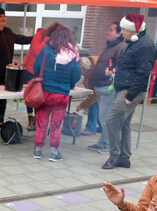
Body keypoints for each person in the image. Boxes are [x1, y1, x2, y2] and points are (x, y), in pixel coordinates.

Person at [102, 13, 157, 170]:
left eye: (124, 29)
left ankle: (114, 156)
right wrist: (114, 71)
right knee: (124, 123)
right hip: (125, 87)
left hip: (130, 90)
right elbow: (131, 67)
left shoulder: (145, 46)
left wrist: (130, 96)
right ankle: (124, 158)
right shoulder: (135, 42)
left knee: (111, 121)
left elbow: (143, 73)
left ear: (134, 30)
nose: (122, 32)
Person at [31, 24, 81, 163]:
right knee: (56, 124)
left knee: (41, 121)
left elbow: (36, 66)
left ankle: (38, 150)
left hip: (45, 92)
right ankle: (54, 152)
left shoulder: (47, 49)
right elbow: (76, 75)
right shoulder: (74, 53)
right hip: (62, 94)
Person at [88, 22, 127, 155]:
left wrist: (109, 76)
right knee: (102, 118)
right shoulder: (111, 46)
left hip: (108, 88)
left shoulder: (120, 47)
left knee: (106, 119)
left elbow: (119, 67)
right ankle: (103, 142)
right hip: (101, 87)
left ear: (119, 33)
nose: (107, 32)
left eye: (110, 30)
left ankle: (108, 145)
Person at [23, 21, 60, 132]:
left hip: (41, 72)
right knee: (31, 96)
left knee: (39, 97)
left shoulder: (52, 41)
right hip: (29, 70)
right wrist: (47, 40)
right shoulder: (39, 35)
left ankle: (38, 120)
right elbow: (37, 50)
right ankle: (31, 118)